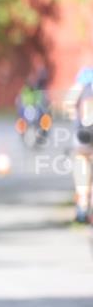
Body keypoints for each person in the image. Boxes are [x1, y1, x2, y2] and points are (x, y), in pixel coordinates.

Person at [65, 65, 93, 224]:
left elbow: (69, 103)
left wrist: (74, 116)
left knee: (82, 164)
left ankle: (82, 207)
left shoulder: (82, 81)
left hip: (83, 134)